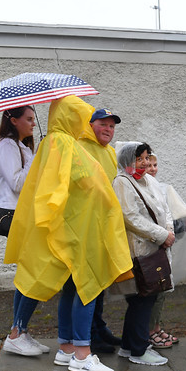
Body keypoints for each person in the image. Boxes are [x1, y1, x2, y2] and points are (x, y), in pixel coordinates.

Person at [5, 95, 133, 371]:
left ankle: (67, 349)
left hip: (75, 225)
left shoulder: (57, 142)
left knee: (74, 288)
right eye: (83, 117)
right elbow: (78, 184)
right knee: (87, 285)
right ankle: (82, 354)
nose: (86, 123)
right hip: (81, 228)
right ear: (71, 117)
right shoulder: (64, 143)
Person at [0, 106, 47, 357]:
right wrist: (37, 157)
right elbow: (18, 183)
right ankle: (16, 333)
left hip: (22, 215)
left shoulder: (19, 146)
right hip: (13, 216)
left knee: (28, 270)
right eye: (29, 119)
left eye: (34, 119)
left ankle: (19, 330)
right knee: (34, 270)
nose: (33, 124)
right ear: (13, 120)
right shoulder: (7, 146)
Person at [111, 142, 173, 365]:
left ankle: (129, 346)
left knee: (146, 297)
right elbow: (130, 217)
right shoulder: (122, 182)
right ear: (127, 160)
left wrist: (169, 231)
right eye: (140, 159)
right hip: (139, 250)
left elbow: (165, 208)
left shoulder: (148, 180)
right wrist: (161, 235)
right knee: (141, 298)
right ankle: (138, 349)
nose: (146, 163)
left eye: (147, 158)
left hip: (155, 247)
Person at [145, 152, 186, 347]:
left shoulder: (163, 189)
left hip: (164, 250)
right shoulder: (143, 190)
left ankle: (156, 327)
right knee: (152, 293)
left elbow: (173, 218)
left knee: (162, 291)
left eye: (155, 165)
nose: (152, 168)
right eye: (149, 164)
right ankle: (149, 331)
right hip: (150, 251)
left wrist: (183, 224)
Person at [78, 108, 123, 354]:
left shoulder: (111, 153)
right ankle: (88, 336)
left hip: (107, 225)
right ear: (90, 125)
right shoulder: (81, 148)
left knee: (101, 280)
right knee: (88, 283)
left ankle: (99, 327)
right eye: (103, 125)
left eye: (112, 126)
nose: (108, 130)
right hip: (87, 226)